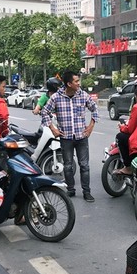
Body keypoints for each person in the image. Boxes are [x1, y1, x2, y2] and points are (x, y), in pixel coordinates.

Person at [41, 70, 99, 202]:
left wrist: (90, 127)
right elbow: (45, 112)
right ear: (68, 84)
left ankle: (87, 192)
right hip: (66, 137)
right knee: (67, 166)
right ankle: (71, 189)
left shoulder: (83, 95)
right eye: (76, 81)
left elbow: (94, 109)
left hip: (81, 137)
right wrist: (53, 128)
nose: (79, 83)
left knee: (84, 165)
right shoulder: (56, 97)